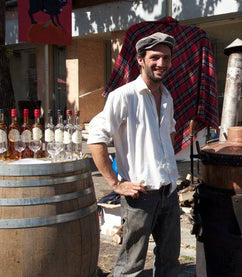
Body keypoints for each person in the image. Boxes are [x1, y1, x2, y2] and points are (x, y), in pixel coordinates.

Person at [87, 32, 180, 277]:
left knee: (170, 261)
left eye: (166, 58)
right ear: (140, 59)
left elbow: (169, 135)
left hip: (169, 191)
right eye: (155, 57)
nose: (162, 63)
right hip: (140, 194)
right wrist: (115, 183)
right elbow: (96, 137)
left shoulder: (167, 97)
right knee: (131, 265)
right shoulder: (124, 96)